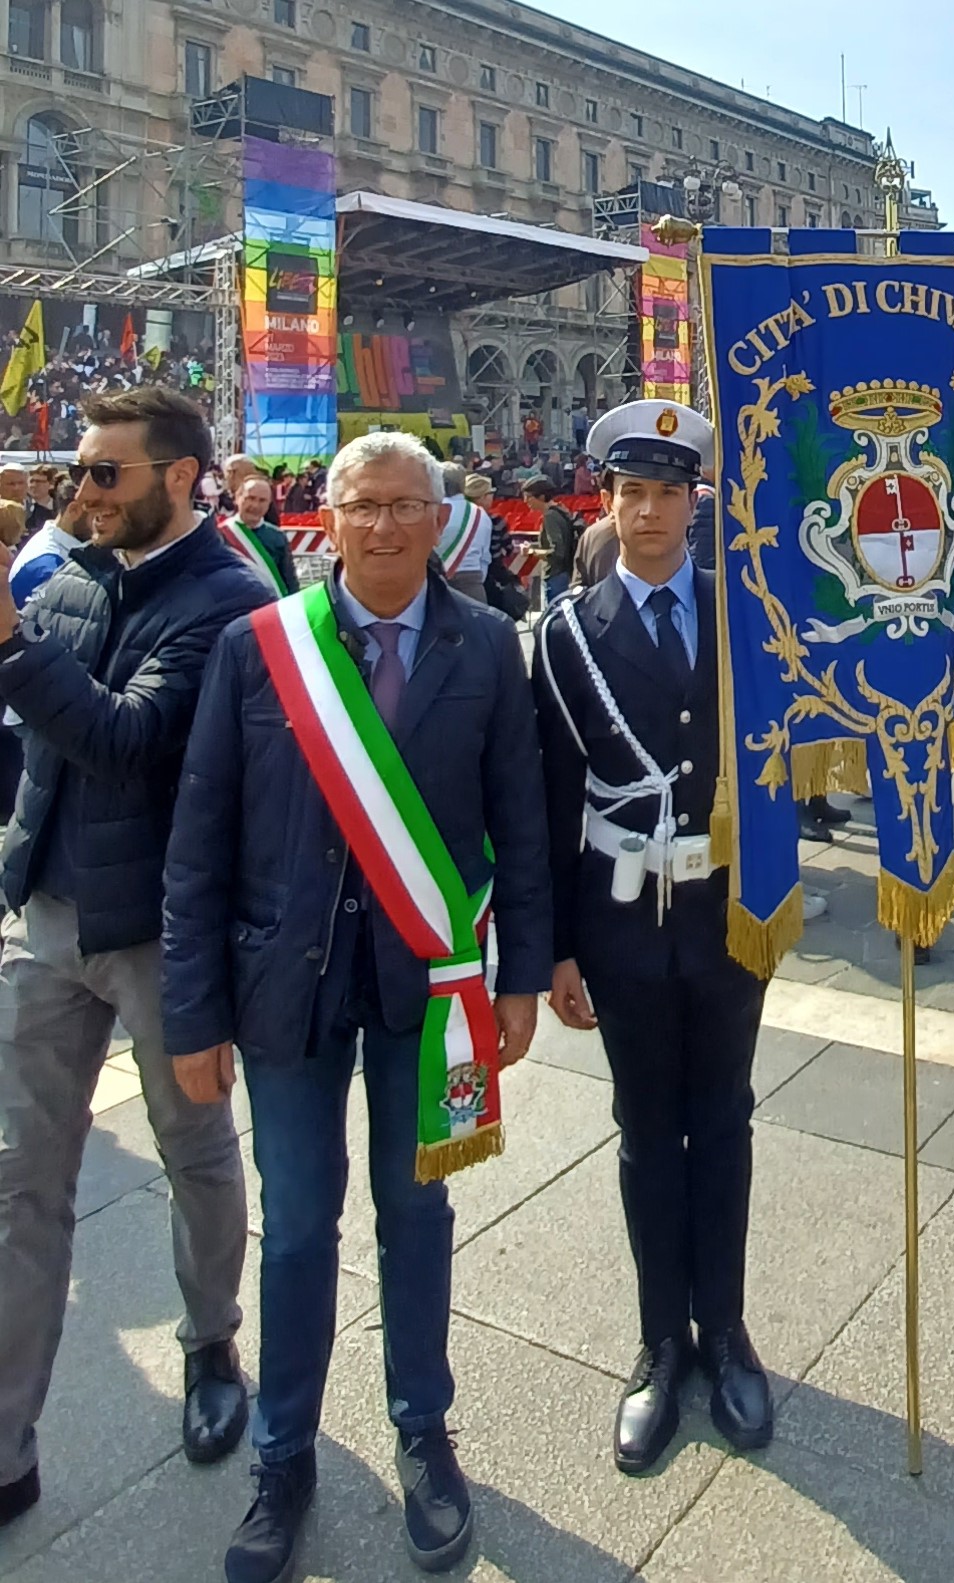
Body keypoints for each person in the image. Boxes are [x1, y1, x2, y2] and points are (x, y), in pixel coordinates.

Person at [165, 431, 552, 1582]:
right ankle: (284, 1453)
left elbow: (519, 825)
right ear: (322, 519)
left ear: (440, 521)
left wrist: (520, 976)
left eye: (404, 506)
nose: (382, 525)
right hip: (282, 993)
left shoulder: (488, 647)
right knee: (295, 1230)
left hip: (426, 994)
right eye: (360, 505)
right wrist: (192, 1016)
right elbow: (199, 841)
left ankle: (424, 1430)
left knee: (418, 1215)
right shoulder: (258, 648)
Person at [0, 388, 267, 1532]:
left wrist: (11, 647)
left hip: (162, 934)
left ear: (182, 476)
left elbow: (124, 737)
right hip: (51, 918)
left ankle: (212, 1342)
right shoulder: (67, 578)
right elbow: (33, 748)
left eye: (105, 473)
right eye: (76, 473)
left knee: (196, 1148)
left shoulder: (232, 602)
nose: (79, 493)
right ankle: (8, 1431)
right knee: (20, 1180)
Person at [535, 398, 775, 1477]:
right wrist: (552, 948)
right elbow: (545, 796)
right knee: (645, 1131)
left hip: (725, 916)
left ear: (695, 501)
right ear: (609, 500)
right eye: (631, 492)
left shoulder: (745, 610)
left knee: (723, 1120)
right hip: (622, 919)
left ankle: (724, 1331)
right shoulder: (566, 632)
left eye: (668, 491)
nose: (648, 511)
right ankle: (658, 1344)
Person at [8, 478, 88, 607]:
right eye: (98, 511)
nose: (104, 520)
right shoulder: (49, 567)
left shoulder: (60, 551)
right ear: (73, 510)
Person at [218, 474, 299, 598]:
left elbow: (290, 583)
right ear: (237, 498)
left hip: (268, 608)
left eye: (262, 500)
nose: (255, 506)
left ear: (269, 504)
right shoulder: (220, 535)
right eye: (250, 498)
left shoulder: (277, 537)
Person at [432, 461, 493, 603]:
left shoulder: (430, 511)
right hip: (472, 585)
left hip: (434, 583)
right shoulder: (480, 513)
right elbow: (485, 558)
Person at [526, 477, 578, 606]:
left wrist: (532, 552)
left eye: (529, 497)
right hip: (564, 575)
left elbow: (557, 552)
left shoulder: (550, 517)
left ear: (542, 497)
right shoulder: (560, 511)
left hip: (556, 576)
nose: (525, 501)